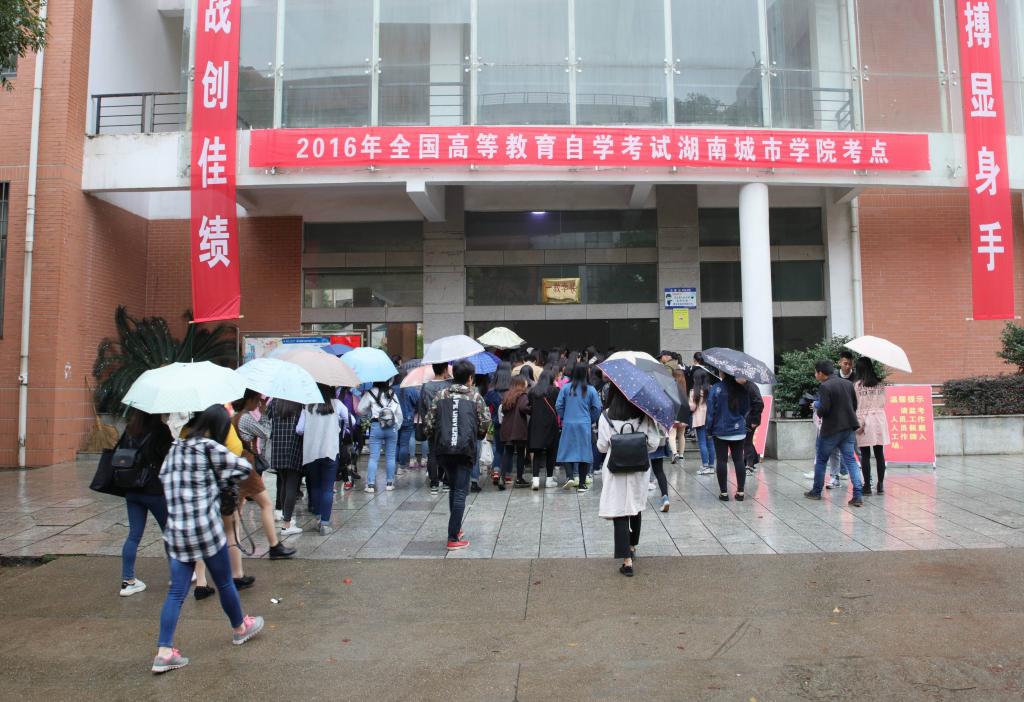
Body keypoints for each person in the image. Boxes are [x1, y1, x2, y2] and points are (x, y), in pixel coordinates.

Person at [152, 404, 264, 674]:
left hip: (176, 532)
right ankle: (240, 628)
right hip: (205, 531)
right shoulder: (210, 448)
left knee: (176, 592)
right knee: (224, 582)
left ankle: (164, 652)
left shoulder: (175, 448)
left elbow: (164, 478)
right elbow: (242, 468)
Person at [424, 360, 491, 551]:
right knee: (461, 491)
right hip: (464, 449)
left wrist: (436, 437)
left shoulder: (440, 395)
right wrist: (478, 435)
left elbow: (429, 423)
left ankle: (456, 528)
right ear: (470, 378)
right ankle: (453, 537)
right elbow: (485, 422)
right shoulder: (475, 397)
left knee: (454, 488)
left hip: (444, 449)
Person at [597, 384, 662, 577]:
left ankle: (626, 561)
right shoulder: (644, 415)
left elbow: (602, 447)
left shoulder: (606, 416)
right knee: (635, 506)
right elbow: (653, 444)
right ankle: (632, 546)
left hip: (614, 468)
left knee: (619, 511)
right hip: (638, 467)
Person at [231, 391, 296, 560]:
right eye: (257, 400)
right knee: (266, 505)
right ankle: (274, 545)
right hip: (247, 467)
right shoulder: (245, 417)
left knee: (237, 508)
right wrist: (265, 414)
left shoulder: (236, 417)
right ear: (249, 400)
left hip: (239, 465)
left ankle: (233, 543)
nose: (259, 403)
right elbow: (266, 432)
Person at [117, 409, 173, 596]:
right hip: (154, 490)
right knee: (169, 532)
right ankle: (176, 576)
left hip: (131, 488)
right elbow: (168, 457)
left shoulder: (130, 429)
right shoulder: (161, 430)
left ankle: (128, 581)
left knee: (134, 535)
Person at [804, 360, 865, 506]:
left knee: (821, 460)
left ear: (821, 373)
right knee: (851, 460)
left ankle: (816, 491)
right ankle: (857, 495)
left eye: (816, 372)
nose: (815, 375)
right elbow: (854, 405)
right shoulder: (848, 384)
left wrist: (818, 409)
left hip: (831, 429)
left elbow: (825, 409)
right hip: (848, 428)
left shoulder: (825, 386)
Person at [297, 385, 350, 535]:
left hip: (311, 452)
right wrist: (339, 427)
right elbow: (350, 419)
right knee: (327, 488)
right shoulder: (337, 404)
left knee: (315, 486)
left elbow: (299, 429)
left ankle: (318, 517)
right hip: (330, 451)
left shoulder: (308, 406)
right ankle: (325, 523)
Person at [555, 364, 602, 492]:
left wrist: (565, 416)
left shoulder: (566, 388)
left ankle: (570, 476)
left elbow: (558, 405)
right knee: (584, 453)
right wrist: (590, 419)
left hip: (568, 423)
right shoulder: (591, 389)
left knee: (566, 450)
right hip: (584, 424)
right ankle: (582, 484)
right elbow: (597, 408)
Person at [706, 373, 751, 501]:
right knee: (739, 460)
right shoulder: (742, 389)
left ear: (722, 372)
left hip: (720, 430)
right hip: (739, 429)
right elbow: (745, 409)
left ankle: (724, 493)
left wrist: (708, 429)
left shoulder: (716, 388)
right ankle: (740, 492)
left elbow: (710, 411)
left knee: (721, 460)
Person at [359, 379, 403, 493]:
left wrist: (370, 410)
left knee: (373, 457)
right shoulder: (392, 393)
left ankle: (370, 485)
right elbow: (399, 413)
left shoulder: (370, 393)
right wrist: (397, 426)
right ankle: (389, 483)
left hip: (376, 426)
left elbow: (360, 409)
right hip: (391, 427)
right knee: (391, 457)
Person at [268, 399, 304, 537]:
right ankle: (287, 524)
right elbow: (302, 427)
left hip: (278, 447)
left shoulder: (274, 402)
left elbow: (267, 417)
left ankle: (286, 517)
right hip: (294, 446)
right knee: (291, 486)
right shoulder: (299, 403)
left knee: (283, 483)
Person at [854, 357, 890, 495]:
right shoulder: (880, 384)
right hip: (879, 419)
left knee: (865, 455)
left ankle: (867, 486)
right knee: (879, 453)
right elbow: (884, 401)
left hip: (864, 420)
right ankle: (880, 485)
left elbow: (855, 404)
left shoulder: (857, 385)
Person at [418, 362, 452, 495]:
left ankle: (434, 483)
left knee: (432, 453)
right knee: (447, 452)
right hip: (447, 423)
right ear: (445, 369)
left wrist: (426, 421)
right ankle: (446, 481)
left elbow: (421, 407)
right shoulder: (449, 385)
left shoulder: (426, 386)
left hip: (431, 423)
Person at [527, 370, 561, 490]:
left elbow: (529, 405)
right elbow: (559, 405)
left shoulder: (532, 391)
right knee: (551, 451)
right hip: (551, 424)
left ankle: (535, 479)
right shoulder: (554, 391)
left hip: (535, 424)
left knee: (537, 452)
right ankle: (549, 480)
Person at [499, 376, 530, 488]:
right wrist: (532, 409)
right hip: (518, 428)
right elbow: (524, 408)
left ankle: (502, 478)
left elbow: (503, 409)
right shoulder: (523, 395)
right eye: (525, 382)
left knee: (507, 453)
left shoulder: (507, 395)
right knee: (521, 453)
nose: (527, 384)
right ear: (521, 384)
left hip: (507, 428)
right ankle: (519, 479)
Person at [485, 362, 513, 486]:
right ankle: (507, 474)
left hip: (497, 424)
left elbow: (485, 404)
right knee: (509, 449)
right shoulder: (513, 391)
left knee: (499, 449)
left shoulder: (491, 392)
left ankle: (496, 470)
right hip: (511, 424)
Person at [689, 367, 716, 475]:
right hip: (710, 419)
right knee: (710, 443)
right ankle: (711, 466)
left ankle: (705, 466)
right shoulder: (711, 389)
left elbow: (692, 407)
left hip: (699, 419)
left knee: (702, 443)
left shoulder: (693, 392)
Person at [668, 368, 691, 464]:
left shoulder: (670, 386)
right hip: (684, 411)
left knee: (672, 434)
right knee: (681, 434)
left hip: (674, 411)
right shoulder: (684, 386)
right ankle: (681, 455)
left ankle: (674, 453)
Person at [742, 381, 765, 473]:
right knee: (746, 440)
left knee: (746, 441)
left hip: (750, 418)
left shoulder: (751, 386)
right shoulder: (743, 386)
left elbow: (759, 403)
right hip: (746, 417)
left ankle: (749, 464)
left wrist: (755, 419)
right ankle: (753, 460)